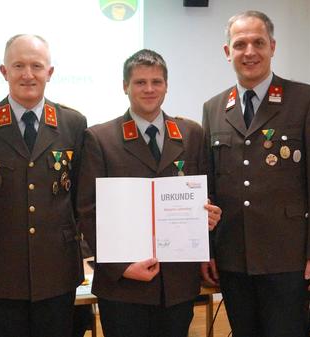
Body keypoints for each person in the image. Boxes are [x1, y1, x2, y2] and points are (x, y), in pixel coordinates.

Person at [201, 10, 310, 337]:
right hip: (233, 257)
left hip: (288, 257)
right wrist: (205, 249)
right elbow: (207, 187)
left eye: (258, 42)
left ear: (273, 47)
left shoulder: (305, 100)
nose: (249, 52)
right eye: (240, 44)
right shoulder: (214, 108)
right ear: (227, 52)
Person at [77, 49, 221, 337]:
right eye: (140, 82)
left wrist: (209, 215)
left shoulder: (192, 133)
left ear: (167, 85)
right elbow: (87, 211)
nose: (149, 89)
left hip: (176, 284)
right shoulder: (100, 138)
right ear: (125, 87)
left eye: (156, 81)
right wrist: (120, 267)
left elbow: (208, 192)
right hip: (123, 285)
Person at [0, 34, 87, 337]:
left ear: (49, 73)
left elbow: (81, 198)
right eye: (19, 66)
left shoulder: (73, 124)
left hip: (57, 273)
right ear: (4, 71)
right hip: (1, 275)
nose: (28, 74)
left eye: (37, 66)